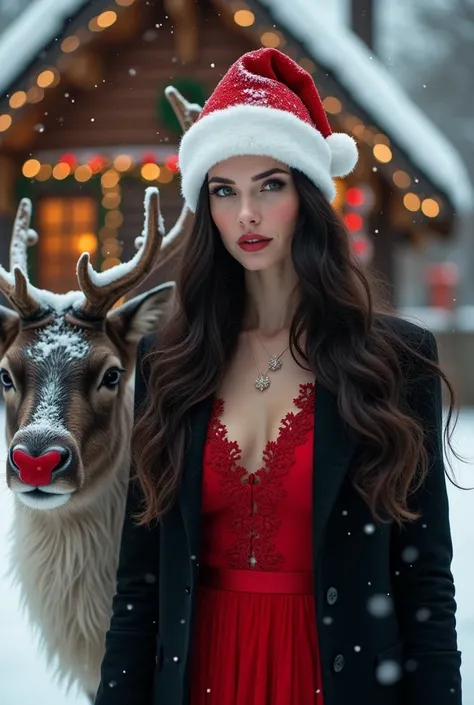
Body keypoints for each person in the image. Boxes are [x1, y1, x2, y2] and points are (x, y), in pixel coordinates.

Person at [94, 48, 462, 705]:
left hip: (339, 681)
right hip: (201, 674)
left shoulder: (394, 362)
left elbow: (425, 583)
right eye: (223, 190)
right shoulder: (168, 363)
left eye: (270, 184)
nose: (247, 216)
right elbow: (140, 584)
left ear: (308, 193)